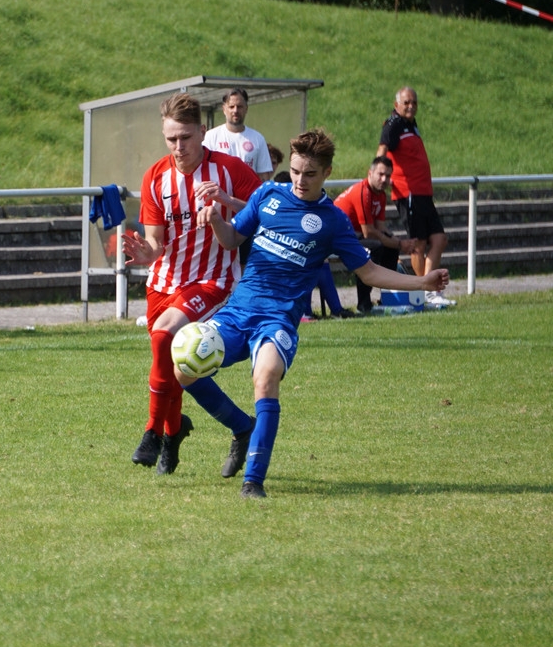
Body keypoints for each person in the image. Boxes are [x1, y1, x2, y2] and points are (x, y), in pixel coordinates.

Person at [179, 129, 449, 498]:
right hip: (238, 311)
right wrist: (215, 219)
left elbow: (369, 273)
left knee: (266, 378)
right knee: (184, 369)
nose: (299, 181)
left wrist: (422, 282)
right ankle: (242, 427)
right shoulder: (267, 195)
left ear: (327, 173)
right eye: (294, 171)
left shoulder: (333, 220)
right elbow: (231, 239)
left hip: (277, 320)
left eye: (309, 174)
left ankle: (253, 482)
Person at [121, 92, 260, 475]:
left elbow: (267, 209)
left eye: (185, 137)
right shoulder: (156, 177)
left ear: (202, 131)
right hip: (164, 282)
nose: (178, 147)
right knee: (174, 363)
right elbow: (156, 241)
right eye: (171, 139)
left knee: (166, 336)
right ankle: (179, 432)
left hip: (212, 280)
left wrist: (227, 201)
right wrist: (148, 253)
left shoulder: (229, 170)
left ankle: (153, 432)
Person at [376, 87, 454, 307]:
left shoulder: (411, 125)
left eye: (414, 103)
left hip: (424, 193)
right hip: (408, 193)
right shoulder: (393, 124)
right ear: (396, 105)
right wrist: (378, 178)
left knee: (439, 239)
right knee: (418, 245)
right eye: (406, 102)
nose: (411, 106)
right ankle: (425, 290)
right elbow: (382, 150)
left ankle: (429, 290)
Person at [334, 156, 415, 313]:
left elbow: (381, 228)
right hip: (337, 237)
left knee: (390, 249)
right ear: (370, 173)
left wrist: (399, 242)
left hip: (353, 235)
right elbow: (369, 232)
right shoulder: (362, 192)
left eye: (388, 176)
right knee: (373, 248)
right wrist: (400, 244)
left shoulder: (380, 195)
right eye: (381, 174)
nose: (384, 179)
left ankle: (388, 297)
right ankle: (364, 304)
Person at [203, 88, 273, 181]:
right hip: (220, 190)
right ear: (224, 109)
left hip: (249, 190)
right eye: (231, 107)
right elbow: (202, 171)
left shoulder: (258, 138)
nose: (235, 110)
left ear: (246, 109)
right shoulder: (210, 137)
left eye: (239, 106)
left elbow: (263, 176)